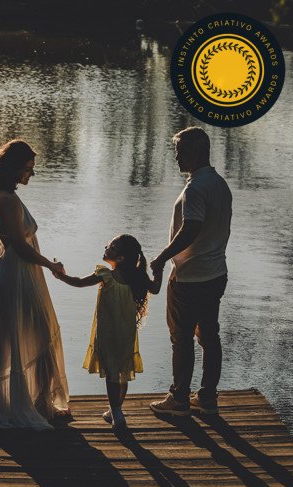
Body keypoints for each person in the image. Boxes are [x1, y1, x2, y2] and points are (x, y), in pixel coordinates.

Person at [0, 140, 70, 430]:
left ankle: (40, 403)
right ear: (14, 168)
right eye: (28, 169)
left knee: (33, 335)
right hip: (14, 274)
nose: (31, 175)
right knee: (11, 340)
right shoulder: (5, 199)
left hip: (20, 273)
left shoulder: (4, 195)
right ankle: (6, 405)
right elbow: (19, 247)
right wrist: (51, 265)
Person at [149, 127, 232, 416]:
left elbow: (191, 229)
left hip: (190, 276)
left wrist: (161, 258)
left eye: (181, 152)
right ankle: (208, 397)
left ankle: (179, 399)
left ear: (197, 152)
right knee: (209, 336)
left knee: (181, 338)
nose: (176, 157)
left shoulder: (196, 188)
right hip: (215, 273)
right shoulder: (219, 184)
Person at [52, 235, 163, 430]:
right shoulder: (138, 277)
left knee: (112, 373)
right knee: (122, 373)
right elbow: (155, 289)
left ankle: (117, 414)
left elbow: (78, 282)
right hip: (127, 334)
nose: (106, 247)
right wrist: (159, 270)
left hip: (108, 334)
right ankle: (115, 409)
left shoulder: (105, 275)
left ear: (120, 259)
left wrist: (60, 276)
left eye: (111, 247)